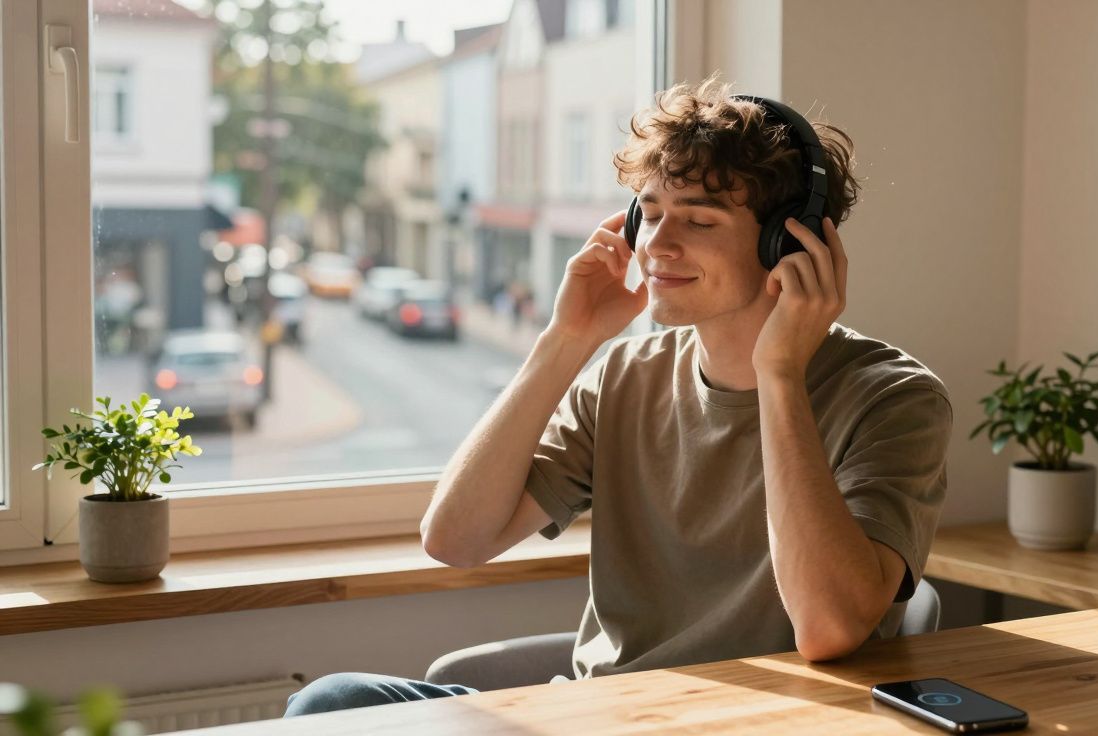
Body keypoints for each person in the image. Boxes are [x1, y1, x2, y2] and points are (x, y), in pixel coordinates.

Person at [284, 75, 952, 717]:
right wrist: (565, 340)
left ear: (789, 244)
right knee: (332, 703)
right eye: (652, 214)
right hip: (592, 714)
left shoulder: (894, 399)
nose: (657, 244)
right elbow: (455, 539)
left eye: (700, 220)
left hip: (744, 724)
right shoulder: (624, 374)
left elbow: (829, 627)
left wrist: (779, 376)